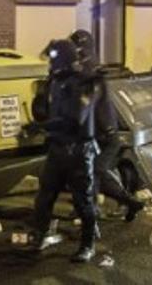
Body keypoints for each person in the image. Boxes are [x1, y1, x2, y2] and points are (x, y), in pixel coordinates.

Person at [31, 39, 100, 263]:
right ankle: (40, 235)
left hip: (79, 149)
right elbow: (49, 110)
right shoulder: (57, 81)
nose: (50, 64)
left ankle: (87, 245)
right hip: (58, 147)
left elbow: (74, 119)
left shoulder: (84, 83)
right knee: (45, 195)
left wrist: (42, 127)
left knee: (82, 200)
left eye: (53, 59)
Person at [69, 30, 145, 222]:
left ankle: (97, 209)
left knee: (95, 171)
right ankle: (118, 204)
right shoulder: (86, 72)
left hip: (107, 136)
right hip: (97, 135)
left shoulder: (91, 75)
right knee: (91, 173)